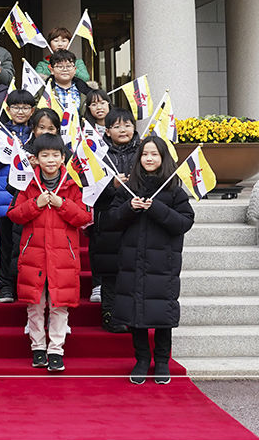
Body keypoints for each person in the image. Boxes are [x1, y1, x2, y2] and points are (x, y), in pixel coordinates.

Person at [112, 135, 195, 385]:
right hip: (132, 261)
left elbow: (184, 222)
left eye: (154, 154)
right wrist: (130, 207)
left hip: (163, 264)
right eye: (145, 154)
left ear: (163, 158)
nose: (149, 158)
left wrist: (156, 208)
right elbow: (110, 221)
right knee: (135, 313)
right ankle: (141, 359)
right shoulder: (128, 188)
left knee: (161, 314)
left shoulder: (173, 189)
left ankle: (161, 361)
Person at [7, 133, 92, 372]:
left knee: (59, 305)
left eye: (55, 155)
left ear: (63, 158)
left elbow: (84, 217)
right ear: (36, 159)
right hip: (34, 257)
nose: (51, 160)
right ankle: (37, 348)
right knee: (35, 305)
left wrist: (61, 204)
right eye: (45, 155)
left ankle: (56, 349)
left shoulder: (72, 184)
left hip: (63, 257)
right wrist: (37, 204)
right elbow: (14, 214)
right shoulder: (28, 183)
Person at [89, 109, 139, 330]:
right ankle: (111, 316)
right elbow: (89, 189)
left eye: (127, 125)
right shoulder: (97, 154)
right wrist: (112, 186)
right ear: (107, 131)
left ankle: (135, 316)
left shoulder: (144, 151)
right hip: (108, 218)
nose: (123, 130)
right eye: (117, 126)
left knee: (135, 269)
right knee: (110, 270)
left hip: (137, 218)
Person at [0, 88, 36, 303]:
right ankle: (5, 284)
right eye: (16, 107)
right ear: (8, 108)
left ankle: (24, 283)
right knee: (6, 243)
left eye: (25, 107)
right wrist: (6, 153)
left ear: (32, 110)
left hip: (33, 196)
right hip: (5, 196)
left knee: (27, 243)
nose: (21, 111)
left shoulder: (38, 131)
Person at [46, 49, 88, 124]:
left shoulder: (85, 91)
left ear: (75, 70)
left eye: (68, 66)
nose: (65, 69)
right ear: (52, 70)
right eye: (60, 66)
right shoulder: (44, 90)